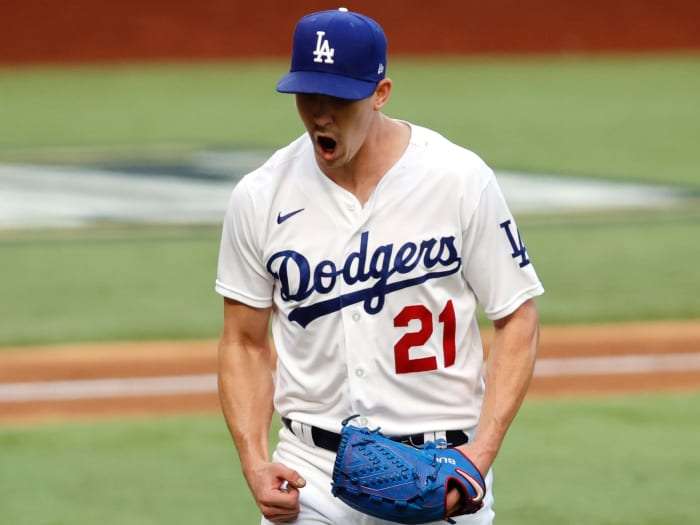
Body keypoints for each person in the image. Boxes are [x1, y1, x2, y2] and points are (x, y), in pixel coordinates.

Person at [216, 7, 544, 524]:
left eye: (339, 98)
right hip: (312, 476)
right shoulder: (260, 195)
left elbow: (517, 317)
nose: (320, 113)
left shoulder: (458, 179)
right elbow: (244, 341)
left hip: (439, 472)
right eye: (308, 94)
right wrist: (255, 460)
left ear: (380, 92)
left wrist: (481, 455)